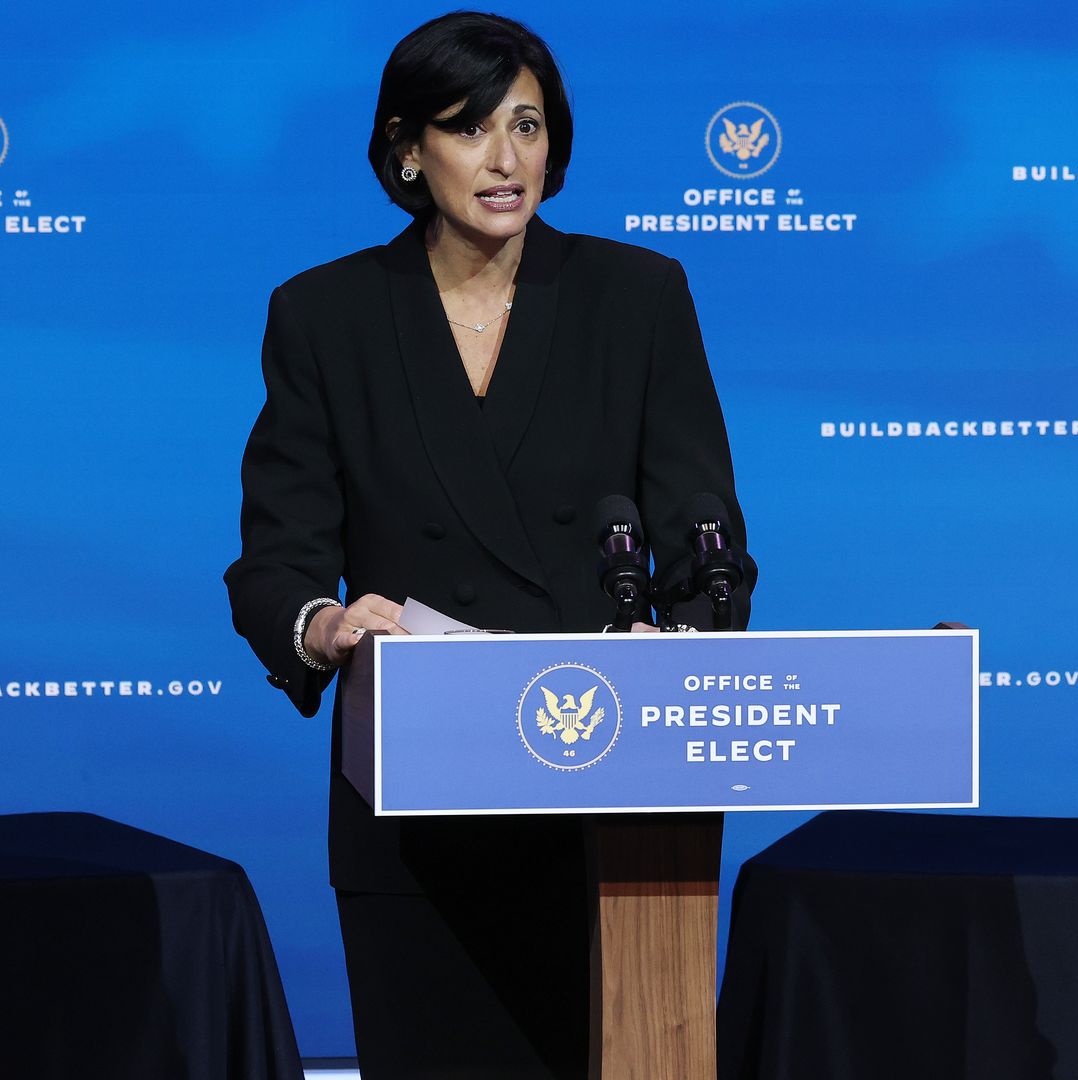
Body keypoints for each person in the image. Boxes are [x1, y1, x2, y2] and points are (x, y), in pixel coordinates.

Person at [223, 13, 752, 1076]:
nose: (506, 160)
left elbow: (708, 539)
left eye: (529, 125)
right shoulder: (326, 316)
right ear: (408, 149)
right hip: (414, 807)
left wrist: (680, 635)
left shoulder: (636, 298)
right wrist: (324, 624)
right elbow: (276, 556)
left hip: (606, 793)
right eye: (470, 130)